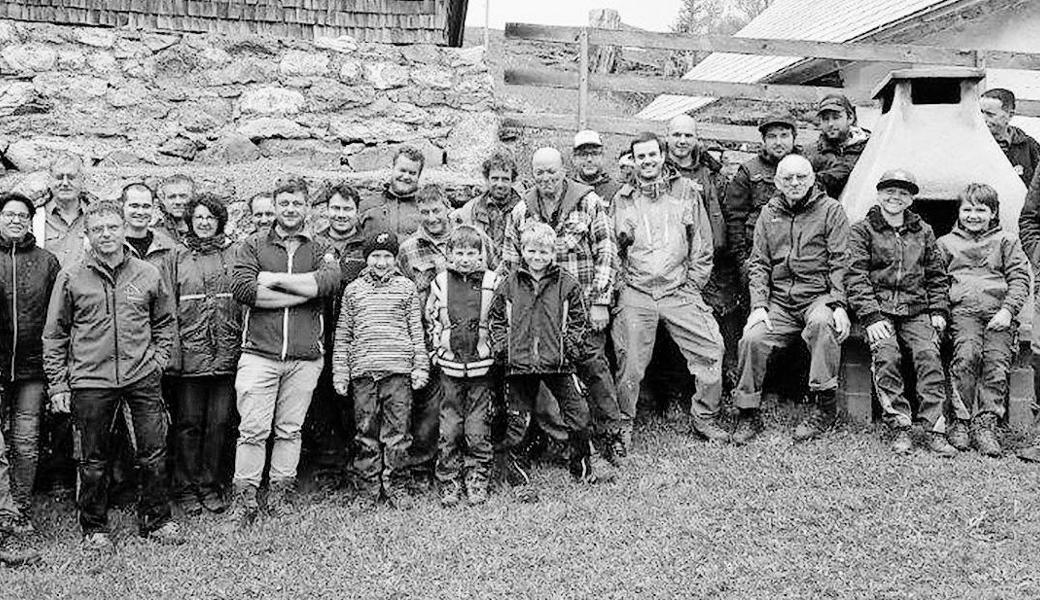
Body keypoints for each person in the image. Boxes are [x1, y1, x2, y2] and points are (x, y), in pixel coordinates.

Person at [42, 201, 183, 553]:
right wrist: (59, 382)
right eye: (98, 229)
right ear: (87, 235)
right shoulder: (71, 276)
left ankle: (157, 520)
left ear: (123, 229)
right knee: (93, 460)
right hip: (91, 380)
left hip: (141, 376)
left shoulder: (147, 273)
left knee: (153, 452)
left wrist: (159, 360)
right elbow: (55, 333)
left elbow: (164, 322)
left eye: (112, 227)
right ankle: (95, 527)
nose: (106, 234)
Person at [225, 178, 341, 527]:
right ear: (275, 206)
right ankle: (244, 500)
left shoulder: (321, 247)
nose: (291, 209)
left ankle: (280, 495)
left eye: (297, 203)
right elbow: (244, 289)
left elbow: (330, 282)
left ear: (307, 207)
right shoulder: (252, 245)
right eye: (284, 203)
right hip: (259, 353)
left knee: (290, 430)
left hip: (305, 356)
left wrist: (272, 280)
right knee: (253, 430)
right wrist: (304, 292)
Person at [501, 147, 623, 467]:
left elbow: (607, 252)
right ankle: (560, 440)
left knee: (593, 363)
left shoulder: (588, 201)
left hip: (579, 306)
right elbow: (509, 264)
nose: (546, 178)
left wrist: (599, 301)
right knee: (542, 378)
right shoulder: (521, 210)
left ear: (563, 170)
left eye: (552, 171)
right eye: (540, 172)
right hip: (539, 315)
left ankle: (612, 433)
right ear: (532, 174)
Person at [611, 132, 728, 442]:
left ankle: (705, 416)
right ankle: (622, 424)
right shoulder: (622, 199)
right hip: (638, 292)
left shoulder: (687, 191)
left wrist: (692, 285)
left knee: (711, 347)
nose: (647, 161)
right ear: (633, 161)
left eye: (652, 155)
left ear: (662, 156)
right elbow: (615, 250)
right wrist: (625, 287)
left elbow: (701, 244)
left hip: (679, 290)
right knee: (630, 361)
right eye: (641, 157)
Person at [732, 155, 851, 444]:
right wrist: (759, 305)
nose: (795, 183)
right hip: (780, 301)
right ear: (777, 182)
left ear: (812, 179)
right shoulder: (767, 213)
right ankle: (747, 412)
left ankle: (824, 406)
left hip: (818, 296)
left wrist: (838, 304)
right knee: (752, 338)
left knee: (823, 325)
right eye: (788, 178)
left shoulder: (831, 210)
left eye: (801, 177)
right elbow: (758, 263)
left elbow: (841, 261)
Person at [489, 222, 603, 502]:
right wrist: (504, 350)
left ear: (553, 252)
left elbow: (579, 319)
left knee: (579, 415)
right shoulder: (509, 284)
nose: (537, 256)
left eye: (543, 251)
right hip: (520, 365)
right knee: (518, 422)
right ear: (522, 251)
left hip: (558, 363)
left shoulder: (568, 283)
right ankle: (519, 476)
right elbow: (496, 320)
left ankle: (583, 467)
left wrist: (570, 347)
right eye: (531, 250)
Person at [846, 170, 954, 455]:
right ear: (879, 193)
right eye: (890, 191)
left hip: (916, 308)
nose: (896, 197)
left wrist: (939, 308)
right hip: (880, 308)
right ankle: (900, 425)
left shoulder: (924, 231)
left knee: (928, 355)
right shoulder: (862, 230)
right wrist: (870, 316)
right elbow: (855, 277)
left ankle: (935, 428)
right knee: (886, 354)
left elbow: (936, 275)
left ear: (911, 198)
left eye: (903, 193)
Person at [332, 230, 429, 509]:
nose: (381, 262)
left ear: (395, 259)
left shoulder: (406, 288)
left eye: (387, 256)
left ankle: (397, 484)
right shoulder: (353, 290)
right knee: (365, 432)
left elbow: (416, 331)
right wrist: (340, 372)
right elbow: (343, 335)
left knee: (398, 433)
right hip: (363, 374)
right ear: (366, 259)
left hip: (398, 372)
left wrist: (420, 368)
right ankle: (367, 488)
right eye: (375, 256)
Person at [939, 183, 1030, 457]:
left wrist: (1008, 311)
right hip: (963, 313)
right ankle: (961, 422)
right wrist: (941, 313)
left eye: (981, 210)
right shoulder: (945, 244)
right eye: (968, 209)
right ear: (959, 212)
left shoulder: (1007, 241)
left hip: (997, 314)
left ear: (993, 213)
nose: (973, 215)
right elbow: (936, 282)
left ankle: (986, 424)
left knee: (996, 363)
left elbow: (1019, 278)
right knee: (966, 356)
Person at [165, 193, 241, 514]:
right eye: (198, 218)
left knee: (219, 423)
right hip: (191, 355)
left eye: (210, 217)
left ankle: (209, 484)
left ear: (219, 220)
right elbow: (168, 308)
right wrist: (174, 354)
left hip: (226, 353)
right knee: (188, 423)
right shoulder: (177, 256)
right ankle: (185, 486)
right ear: (190, 221)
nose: (204, 222)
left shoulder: (235, 253)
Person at [724, 113, 807, 405]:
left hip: (794, 262)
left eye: (784, 135)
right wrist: (742, 260)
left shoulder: (804, 169)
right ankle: (764, 387)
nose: (779, 142)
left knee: (794, 325)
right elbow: (733, 217)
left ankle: (793, 389)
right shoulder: (749, 171)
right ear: (763, 141)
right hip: (756, 259)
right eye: (772, 136)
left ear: (794, 139)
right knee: (760, 323)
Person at [426, 225, 498, 507]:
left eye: (471, 253)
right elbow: (431, 318)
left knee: (477, 426)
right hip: (450, 366)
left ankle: (477, 475)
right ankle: (449, 478)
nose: (466, 258)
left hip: (481, 365)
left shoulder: (493, 281)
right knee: (449, 426)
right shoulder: (441, 282)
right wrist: (436, 350)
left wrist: (495, 350)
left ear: (481, 254)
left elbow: (499, 319)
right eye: (460, 253)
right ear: (449, 254)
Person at [0, 193, 60, 523]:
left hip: (33, 367)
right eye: (9, 214)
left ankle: (19, 508)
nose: (15, 220)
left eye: (22, 216)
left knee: (25, 441)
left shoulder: (46, 262)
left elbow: (58, 316)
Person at [304, 183, 366, 484]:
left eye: (347, 209)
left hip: (356, 341)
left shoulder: (366, 247)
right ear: (326, 210)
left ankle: (356, 465)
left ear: (357, 212)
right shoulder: (313, 245)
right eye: (336, 208)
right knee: (322, 403)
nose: (341, 215)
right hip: (317, 336)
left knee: (352, 403)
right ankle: (327, 467)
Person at [397, 184, 452, 491]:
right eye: (425, 212)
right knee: (429, 406)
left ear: (447, 207)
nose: (432, 218)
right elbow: (404, 298)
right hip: (427, 340)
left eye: (437, 210)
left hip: (465, 340)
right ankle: (420, 464)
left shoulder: (469, 238)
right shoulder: (408, 249)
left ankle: (456, 462)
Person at [451, 150, 522, 269]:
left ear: (513, 180)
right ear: (487, 179)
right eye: (495, 178)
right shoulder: (470, 210)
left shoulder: (522, 210)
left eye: (505, 179)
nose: (499, 184)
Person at [809, 93, 871, 199]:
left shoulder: (870, 148)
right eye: (825, 119)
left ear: (850, 117)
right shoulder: (811, 154)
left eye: (836, 118)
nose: (830, 124)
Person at [360, 146, 424, 241]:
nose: (406, 176)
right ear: (392, 168)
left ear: (418, 176)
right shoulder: (367, 206)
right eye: (402, 170)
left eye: (412, 173)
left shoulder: (426, 210)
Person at [981, 88, 1040, 186]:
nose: (983, 119)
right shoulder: (973, 144)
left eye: (990, 114)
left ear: (1010, 115)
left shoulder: (1029, 147)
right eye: (981, 112)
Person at [571, 130, 620, 203]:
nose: (589, 159)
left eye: (595, 154)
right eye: (583, 154)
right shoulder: (567, 190)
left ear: (602, 156)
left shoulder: (616, 191)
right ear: (574, 159)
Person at [153, 174, 195, 242]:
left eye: (183, 196)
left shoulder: (204, 227)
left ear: (193, 197)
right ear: (163, 200)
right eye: (172, 197)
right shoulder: (155, 232)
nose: (177, 202)